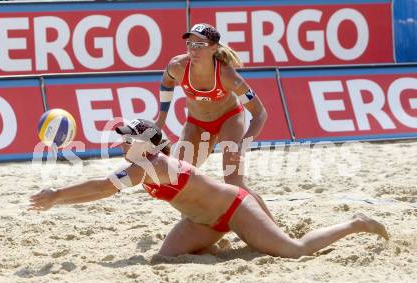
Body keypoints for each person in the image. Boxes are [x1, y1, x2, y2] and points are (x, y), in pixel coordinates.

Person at [29, 119, 389, 258]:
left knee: (294, 251)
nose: (121, 143)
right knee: (165, 258)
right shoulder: (142, 165)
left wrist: (56, 196)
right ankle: (221, 244)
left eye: (127, 139)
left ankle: (355, 223)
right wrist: (57, 197)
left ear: (148, 144)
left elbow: (102, 188)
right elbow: (102, 187)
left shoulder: (151, 165)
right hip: (200, 220)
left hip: (234, 208)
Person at [154, 23, 272, 220]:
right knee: (178, 177)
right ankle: (195, 226)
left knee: (234, 181)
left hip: (229, 119)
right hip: (196, 123)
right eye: (190, 43)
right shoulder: (178, 66)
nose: (193, 49)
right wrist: (160, 120)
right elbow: (166, 82)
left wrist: (242, 145)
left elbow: (260, 113)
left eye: (200, 45)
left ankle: (273, 228)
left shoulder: (228, 75)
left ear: (213, 48)